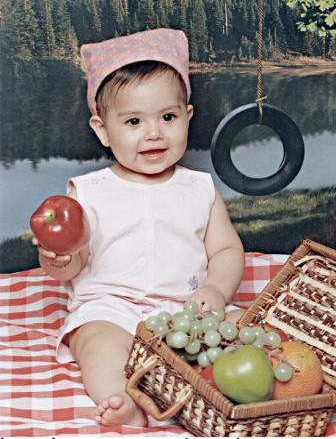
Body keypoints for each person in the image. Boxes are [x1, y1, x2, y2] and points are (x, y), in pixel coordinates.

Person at [32, 28, 245, 427]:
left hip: (187, 312)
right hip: (111, 308)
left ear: (188, 116)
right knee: (96, 343)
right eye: (133, 120)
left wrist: (216, 289)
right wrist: (55, 258)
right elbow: (71, 266)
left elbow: (226, 251)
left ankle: (238, 396)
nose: (153, 133)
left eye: (168, 117)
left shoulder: (199, 188)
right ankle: (122, 399)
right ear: (101, 129)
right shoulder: (89, 191)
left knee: (246, 329)